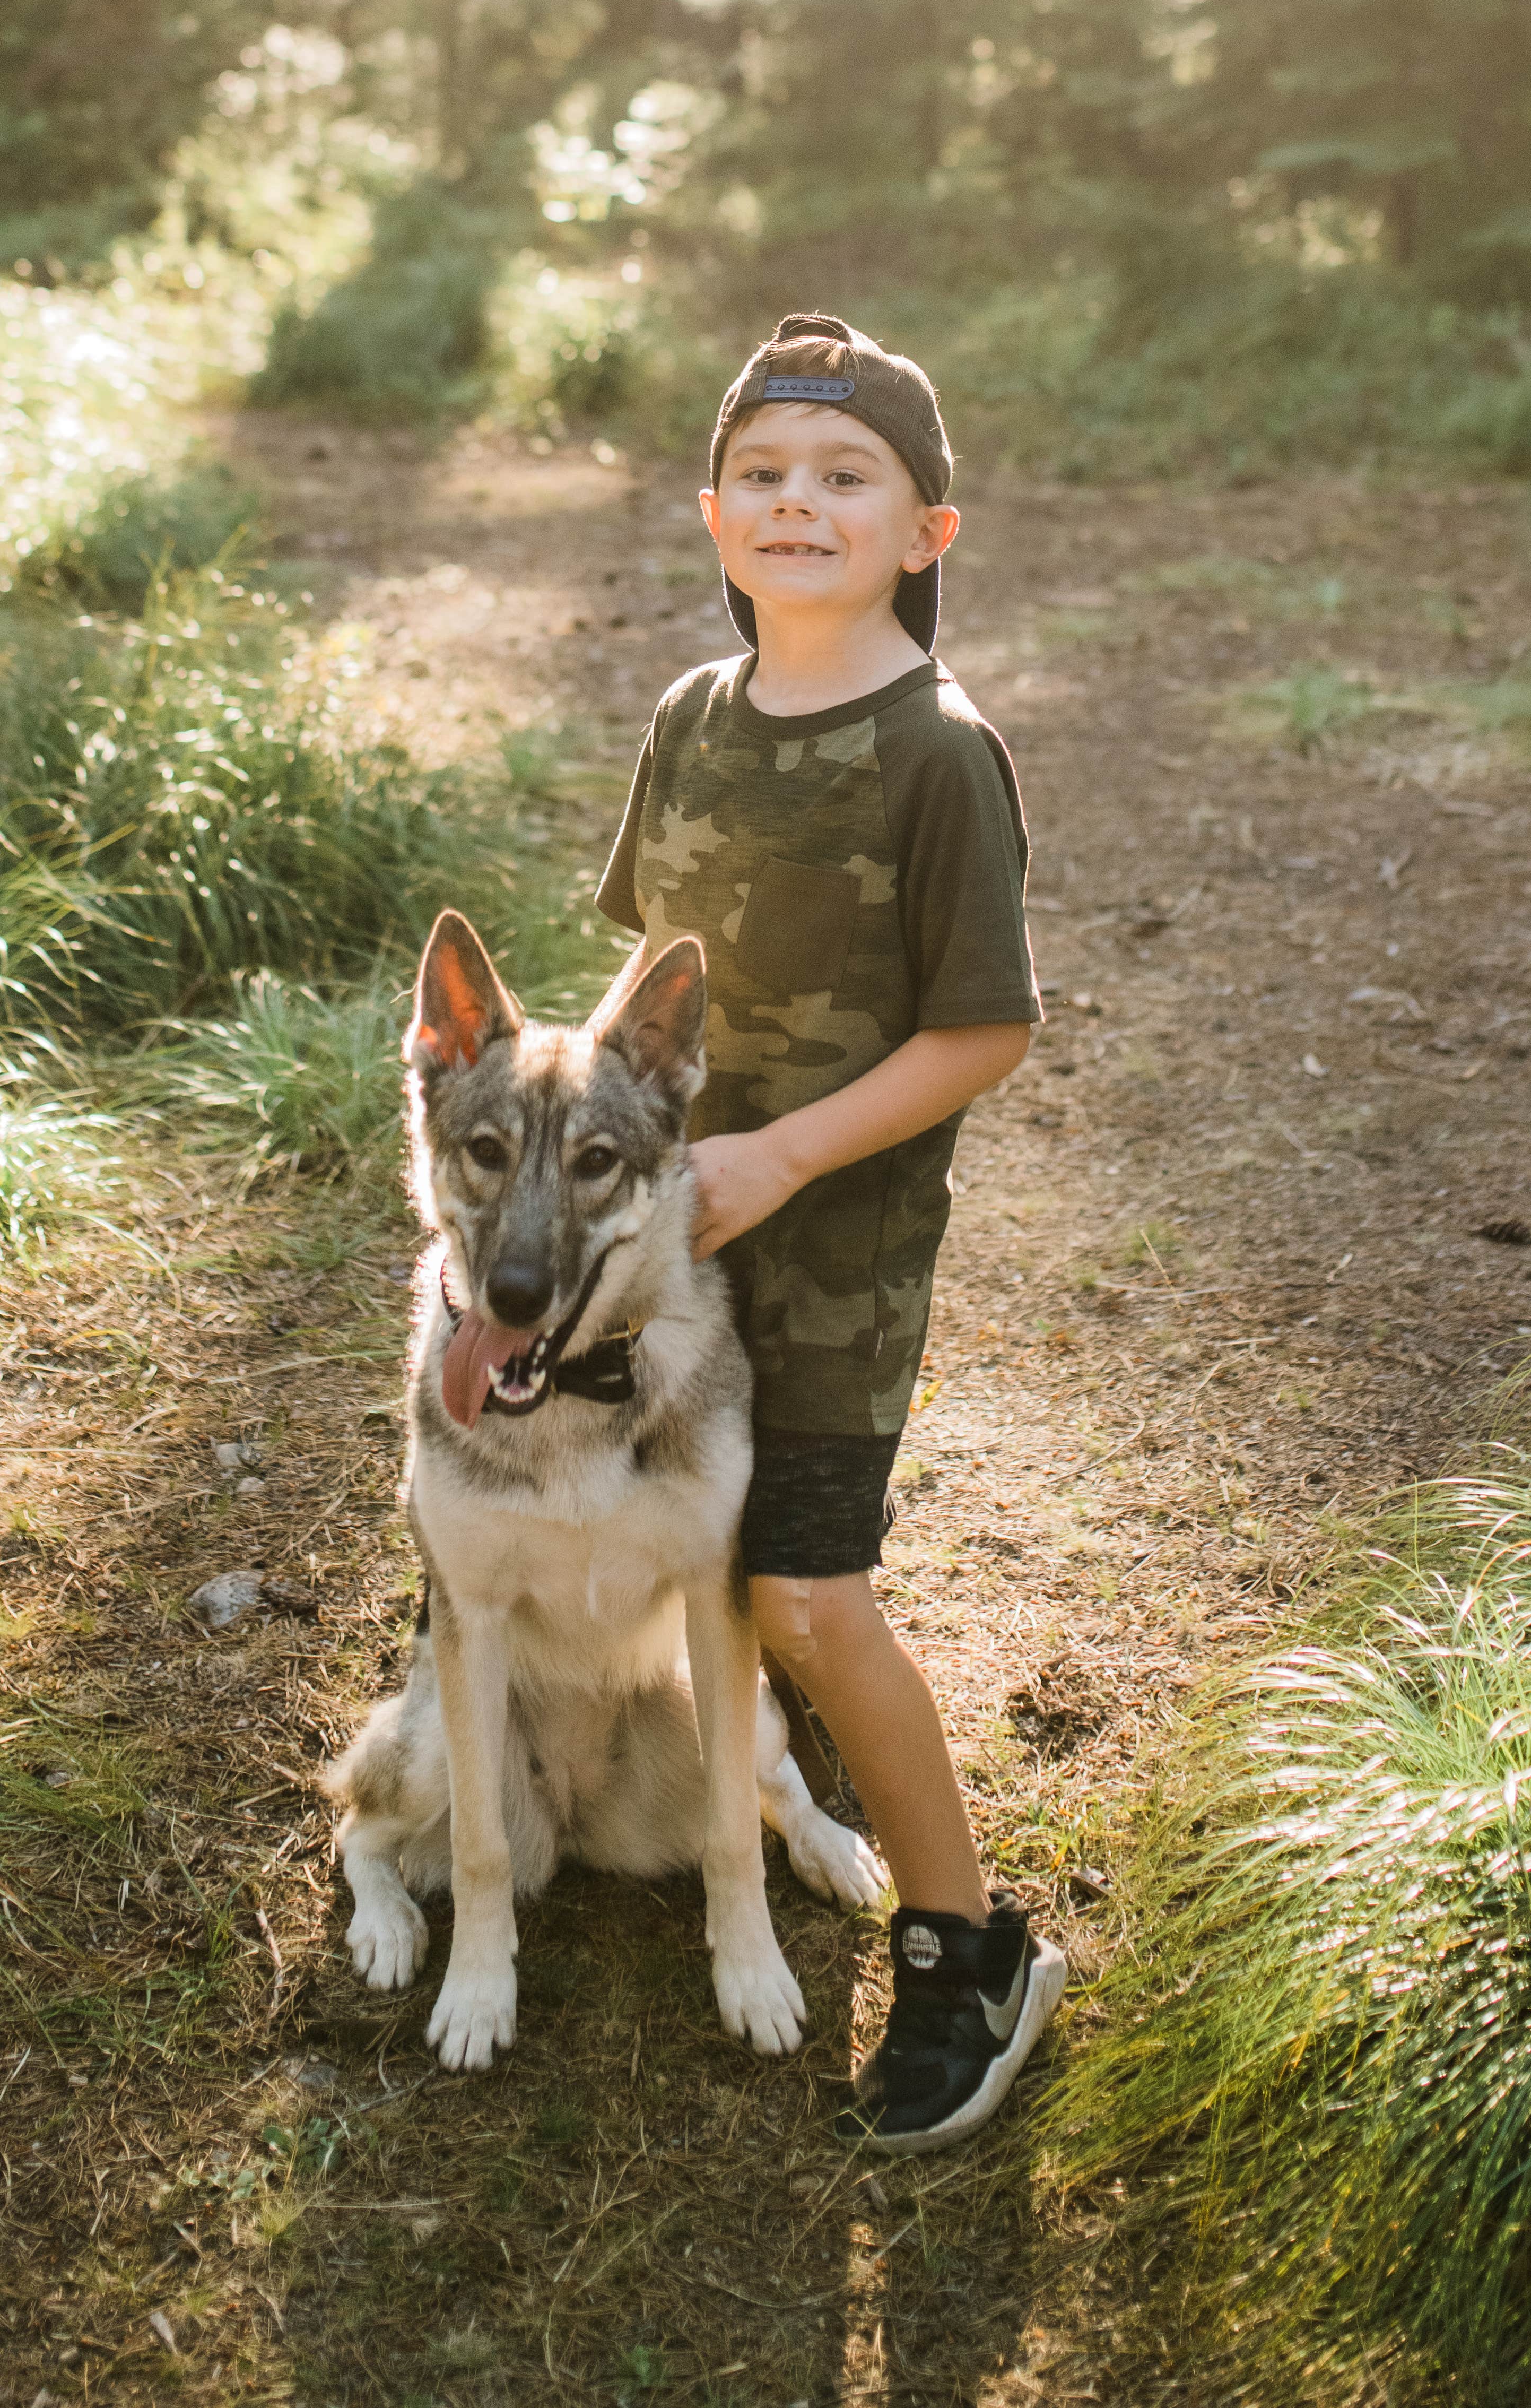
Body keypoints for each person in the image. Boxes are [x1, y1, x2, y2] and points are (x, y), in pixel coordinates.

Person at [597, 309, 1066, 2152]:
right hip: (666, 1238)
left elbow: (987, 1029)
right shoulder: (691, 721)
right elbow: (645, 976)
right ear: (713, 514)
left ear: (925, 529)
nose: (800, 502)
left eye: (845, 476)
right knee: (689, 1550)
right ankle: (748, 1805)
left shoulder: (934, 751)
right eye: (765, 475)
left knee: (802, 1586)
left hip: (831, 1254)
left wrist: (785, 1155)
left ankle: (971, 1946)